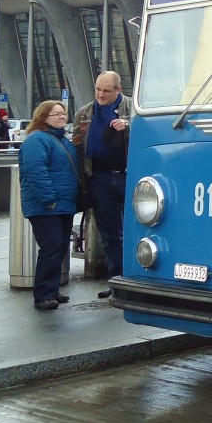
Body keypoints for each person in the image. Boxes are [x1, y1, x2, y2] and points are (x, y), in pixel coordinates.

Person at [73, 71, 131, 299]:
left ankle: (137, 281)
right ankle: (117, 281)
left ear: (118, 90)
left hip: (129, 175)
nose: (100, 94)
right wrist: (83, 183)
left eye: (106, 90)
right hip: (100, 178)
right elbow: (77, 148)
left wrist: (128, 126)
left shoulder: (132, 110)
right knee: (110, 233)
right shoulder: (84, 114)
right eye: (98, 89)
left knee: (136, 230)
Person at [18, 101, 79, 311]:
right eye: (56, 114)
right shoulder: (37, 140)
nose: (62, 117)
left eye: (64, 114)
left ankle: (51, 290)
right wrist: (49, 199)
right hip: (47, 206)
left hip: (62, 205)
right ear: (43, 117)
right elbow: (36, 172)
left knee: (58, 247)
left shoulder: (60, 139)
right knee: (51, 247)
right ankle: (43, 294)